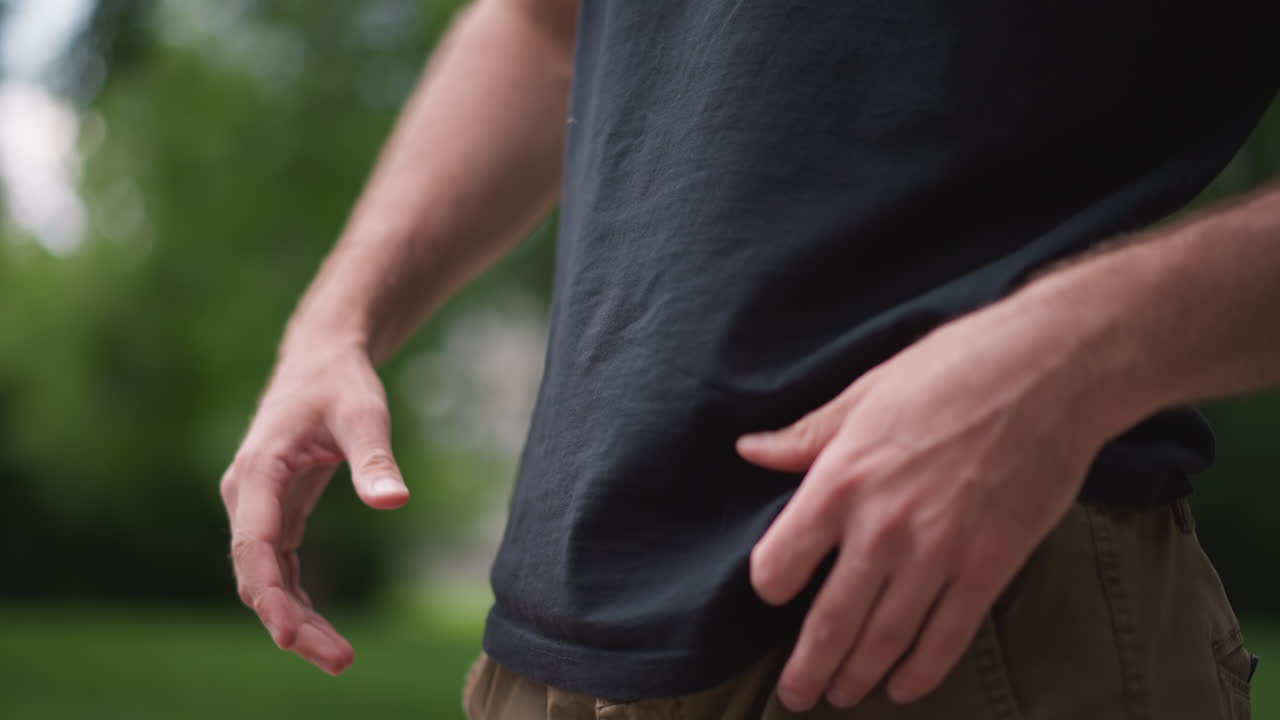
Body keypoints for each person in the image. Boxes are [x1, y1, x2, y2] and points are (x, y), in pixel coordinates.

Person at [219, 0, 1279, 717]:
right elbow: (542, 27)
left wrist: (1073, 352)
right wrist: (336, 320)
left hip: (951, 607)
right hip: (555, 646)